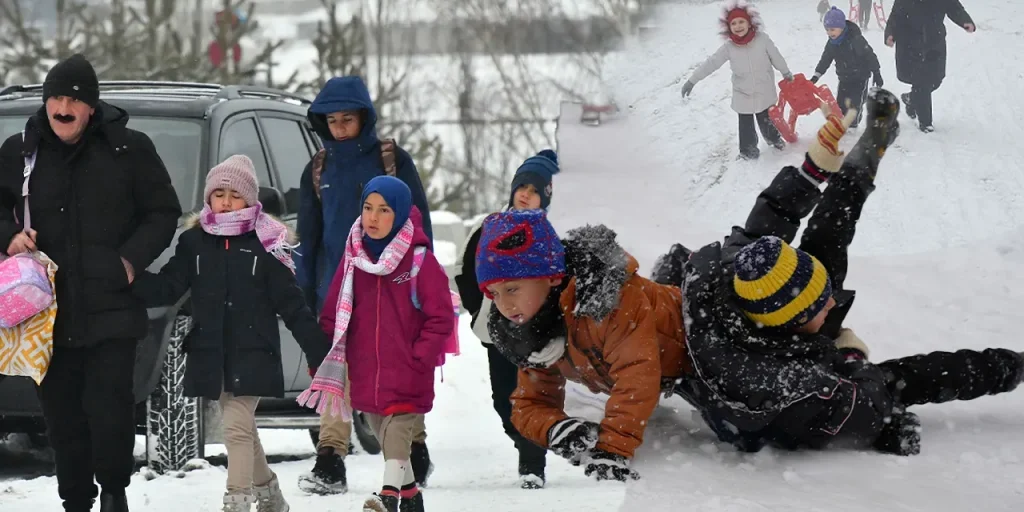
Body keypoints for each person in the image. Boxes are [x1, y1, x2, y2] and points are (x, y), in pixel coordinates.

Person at [653, 90, 1024, 456]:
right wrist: (851, 358)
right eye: (822, 303)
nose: (834, 299)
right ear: (794, 319)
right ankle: (1016, 367)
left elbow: (764, 225)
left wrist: (811, 170)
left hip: (781, 330)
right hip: (795, 360)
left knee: (830, 225)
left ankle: (869, 148)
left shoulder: (739, 273)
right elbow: (867, 406)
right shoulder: (788, 387)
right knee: (913, 377)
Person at [0, 54, 181, 512]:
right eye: (56, 98)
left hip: (112, 306)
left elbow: (162, 212)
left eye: (73, 100)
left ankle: (115, 492)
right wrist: (9, 236)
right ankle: (76, 500)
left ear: (91, 107)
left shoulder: (130, 149)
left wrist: (131, 260)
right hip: (46, 314)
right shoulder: (18, 151)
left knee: (110, 410)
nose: (63, 108)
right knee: (63, 419)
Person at [132, 155, 331, 512]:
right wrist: (127, 279)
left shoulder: (265, 244)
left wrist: (321, 354)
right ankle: (271, 497)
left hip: (254, 352)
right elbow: (169, 287)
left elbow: (292, 306)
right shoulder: (194, 243)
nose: (225, 201)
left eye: (235, 195)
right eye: (219, 193)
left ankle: (236, 502)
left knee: (235, 429)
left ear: (251, 201)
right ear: (208, 198)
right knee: (243, 429)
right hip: (211, 352)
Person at [474, 209, 689, 483]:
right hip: (664, 372)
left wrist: (613, 447)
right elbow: (529, 402)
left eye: (513, 289)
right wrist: (555, 428)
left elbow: (636, 376)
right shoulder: (535, 323)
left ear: (551, 276)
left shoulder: (611, 300)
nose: (504, 305)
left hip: (695, 347)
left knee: (743, 432)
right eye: (494, 293)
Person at [295, 75, 435, 494]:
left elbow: (419, 222)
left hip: (392, 287)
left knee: (396, 371)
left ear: (363, 118)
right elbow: (309, 234)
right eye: (332, 120)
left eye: (347, 118)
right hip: (336, 289)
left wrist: (421, 279)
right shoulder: (318, 169)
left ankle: (414, 445)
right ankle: (330, 458)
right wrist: (305, 289)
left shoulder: (392, 160)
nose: (339, 127)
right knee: (336, 371)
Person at [299, 176, 453, 512]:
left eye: (384, 210)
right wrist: (322, 355)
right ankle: (411, 496)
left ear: (398, 214)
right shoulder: (354, 257)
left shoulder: (418, 261)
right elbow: (333, 310)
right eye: (368, 208)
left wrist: (420, 356)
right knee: (380, 429)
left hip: (409, 367)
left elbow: (441, 316)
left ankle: (388, 496)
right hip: (366, 368)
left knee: (398, 428)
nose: (373, 216)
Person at [453, 150, 559, 489]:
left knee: (534, 395)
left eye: (536, 189)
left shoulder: (550, 233)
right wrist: (478, 310)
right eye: (522, 186)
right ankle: (523, 440)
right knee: (504, 399)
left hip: (539, 333)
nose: (526, 194)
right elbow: (464, 271)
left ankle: (532, 460)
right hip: (497, 332)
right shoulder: (490, 226)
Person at [681, 0, 793, 160]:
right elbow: (712, 63)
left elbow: (776, 56)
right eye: (734, 23)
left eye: (741, 21)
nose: (738, 26)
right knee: (745, 125)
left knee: (767, 118)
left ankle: (774, 139)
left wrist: (786, 72)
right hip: (742, 92)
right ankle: (748, 150)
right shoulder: (729, 47)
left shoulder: (762, 39)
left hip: (764, 89)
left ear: (749, 23)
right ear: (729, 27)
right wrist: (692, 80)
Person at [884, 0, 975, 132]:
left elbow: (954, 8)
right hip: (910, 44)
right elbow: (896, 17)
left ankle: (912, 98)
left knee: (935, 80)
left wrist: (965, 21)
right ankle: (926, 123)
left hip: (933, 42)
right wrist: (890, 34)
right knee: (922, 82)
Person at [811, 7, 883, 128]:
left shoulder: (855, 39)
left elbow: (869, 55)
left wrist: (876, 72)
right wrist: (816, 75)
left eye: (832, 29)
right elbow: (825, 60)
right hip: (844, 77)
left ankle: (853, 124)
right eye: (827, 30)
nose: (830, 33)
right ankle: (842, 121)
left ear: (842, 27)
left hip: (860, 77)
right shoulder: (831, 43)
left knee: (855, 103)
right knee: (840, 104)